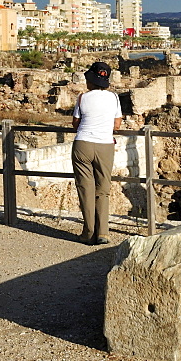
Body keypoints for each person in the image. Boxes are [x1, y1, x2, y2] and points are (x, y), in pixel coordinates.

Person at [71, 61, 122, 245]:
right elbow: (116, 125)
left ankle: (88, 232)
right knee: (103, 190)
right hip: (104, 145)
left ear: (91, 81)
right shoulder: (114, 98)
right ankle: (103, 233)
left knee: (85, 189)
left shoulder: (82, 98)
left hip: (83, 144)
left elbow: (75, 124)